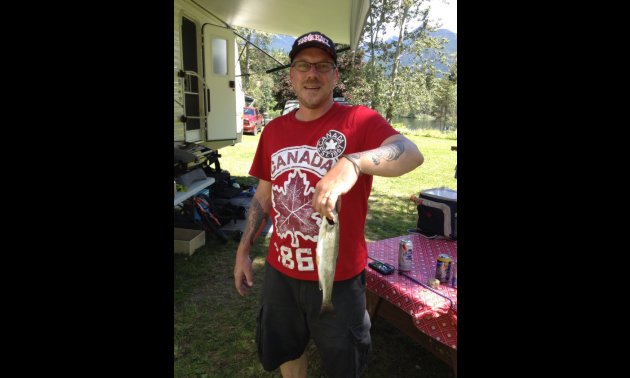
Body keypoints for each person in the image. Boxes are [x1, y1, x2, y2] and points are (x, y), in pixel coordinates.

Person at [233, 31, 424, 378]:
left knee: (344, 364)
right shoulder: (273, 131)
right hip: (280, 273)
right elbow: (263, 196)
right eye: (303, 65)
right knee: (287, 353)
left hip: (340, 278)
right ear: (291, 75)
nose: (312, 74)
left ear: (335, 76)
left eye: (323, 66)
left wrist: (354, 162)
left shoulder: (359, 121)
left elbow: (411, 153)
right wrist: (244, 249)